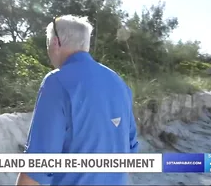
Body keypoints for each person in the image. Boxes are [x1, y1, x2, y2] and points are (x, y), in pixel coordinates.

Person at [16, 15, 139, 185]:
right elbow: (131, 155)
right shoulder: (118, 82)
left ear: (55, 43)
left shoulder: (57, 82)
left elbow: (37, 166)